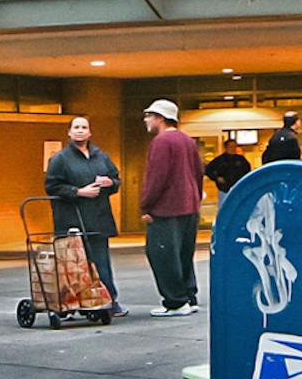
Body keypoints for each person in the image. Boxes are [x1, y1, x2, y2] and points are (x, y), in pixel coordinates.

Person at [44, 115, 126, 316]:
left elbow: (116, 179)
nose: (80, 130)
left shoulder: (101, 156)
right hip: (72, 220)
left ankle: (108, 301)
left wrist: (110, 183)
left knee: (101, 262)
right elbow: (52, 186)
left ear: (90, 132)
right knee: (73, 264)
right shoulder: (60, 159)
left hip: (99, 218)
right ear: (70, 132)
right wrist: (78, 192)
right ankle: (71, 303)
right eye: (76, 127)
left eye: (84, 127)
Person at [138, 99, 204, 317]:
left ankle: (175, 301)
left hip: (167, 209)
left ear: (160, 118)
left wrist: (146, 205)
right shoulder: (187, 140)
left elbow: (157, 178)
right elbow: (198, 173)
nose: (146, 119)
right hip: (189, 206)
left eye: (149, 115)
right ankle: (189, 296)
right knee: (184, 253)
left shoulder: (162, 142)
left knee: (161, 254)